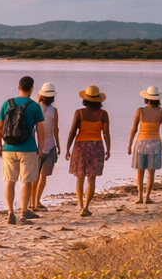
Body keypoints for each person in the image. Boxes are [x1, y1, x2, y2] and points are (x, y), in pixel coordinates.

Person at [0, 75, 46, 225]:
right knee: (26, 181)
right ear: (32, 89)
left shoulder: (7, 103)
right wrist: (41, 148)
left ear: (18, 87)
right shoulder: (34, 106)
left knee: (10, 181)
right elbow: (40, 130)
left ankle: (10, 212)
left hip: (8, 148)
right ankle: (24, 212)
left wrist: (0, 146)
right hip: (28, 148)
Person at [64, 85, 110, 217]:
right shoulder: (103, 114)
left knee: (80, 177)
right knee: (92, 178)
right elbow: (106, 134)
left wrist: (68, 148)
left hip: (80, 147)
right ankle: (87, 207)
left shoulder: (79, 113)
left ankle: (80, 206)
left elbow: (73, 131)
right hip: (96, 146)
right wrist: (108, 149)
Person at [127, 85, 162, 204]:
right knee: (151, 172)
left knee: (140, 171)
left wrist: (129, 145)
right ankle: (148, 197)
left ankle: (139, 196)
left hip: (141, 142)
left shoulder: (140, 110)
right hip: (155, 143)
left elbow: (133, 129)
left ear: (146, 98)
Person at [32, 82, 60, 210]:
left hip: (36, 146)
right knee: (43, 176)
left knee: (34, 176)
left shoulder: (34, 108)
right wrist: (58, 146)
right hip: (50, 145)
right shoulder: (54, 111)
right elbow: (55, 130)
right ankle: (37, 201)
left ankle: (31, 203)